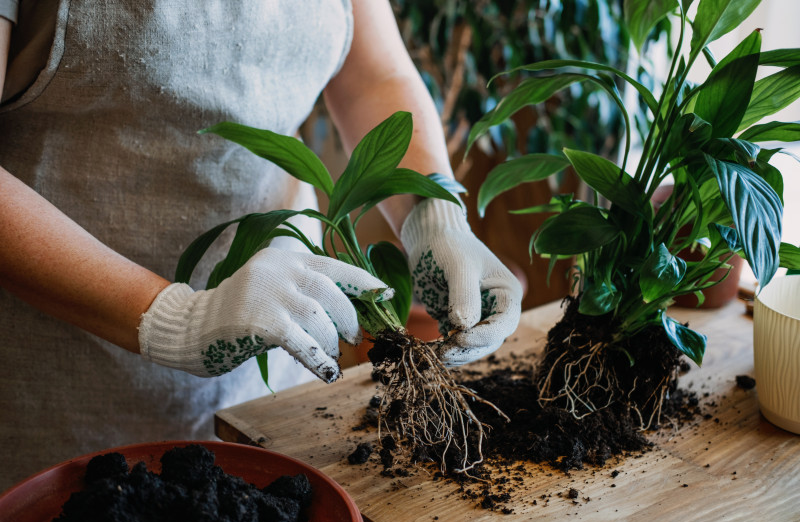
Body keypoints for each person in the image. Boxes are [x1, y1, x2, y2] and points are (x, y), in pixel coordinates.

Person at [0, 0, 523, 490]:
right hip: (64, 369)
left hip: (279, 336)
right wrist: (174, 319)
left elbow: (374, 77)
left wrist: (435, 214)